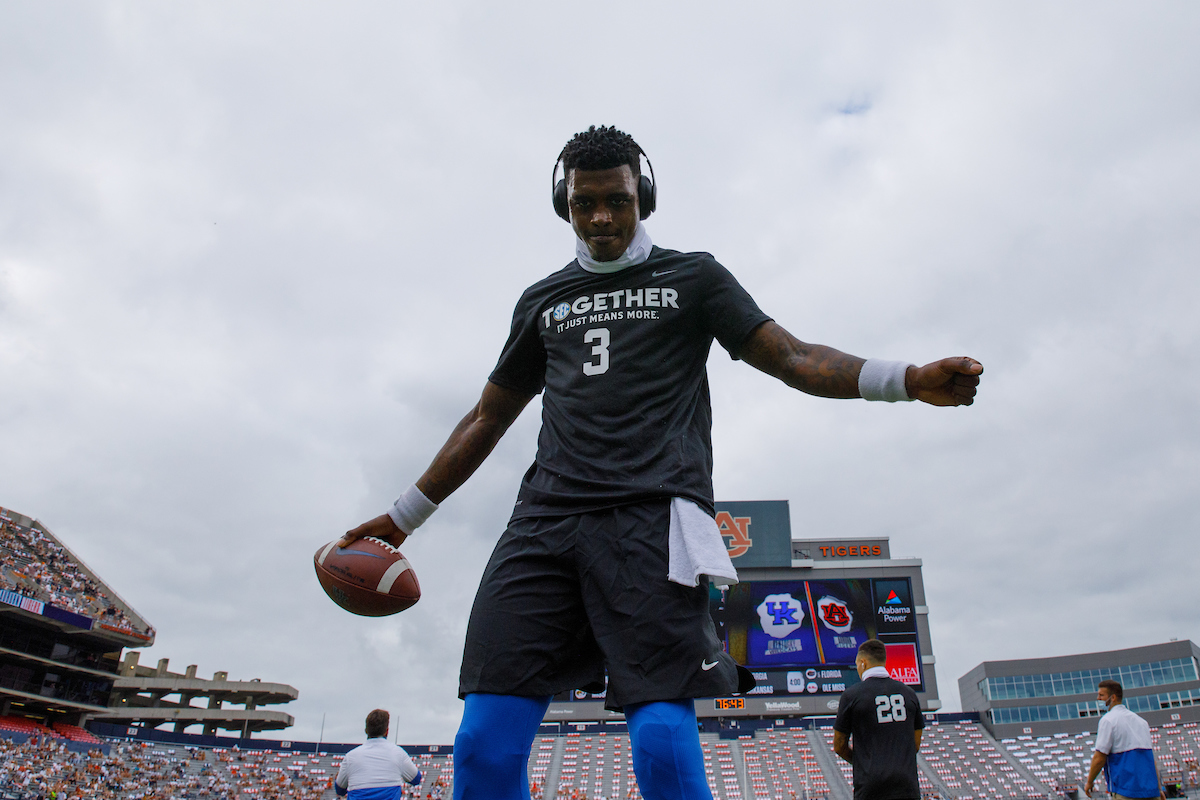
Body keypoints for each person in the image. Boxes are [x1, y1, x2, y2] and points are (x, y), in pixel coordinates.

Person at [340, 125, 983, 800]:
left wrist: (904, 378)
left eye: (616, 199)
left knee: (661, 749)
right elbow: (486, 417)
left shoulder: (693, 276)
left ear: (642, 194)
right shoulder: (542, 301)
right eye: (584, 202)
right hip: (544, 525)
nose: (600, 217)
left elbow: (793, 358)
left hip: (652, 525)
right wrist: (404, 516)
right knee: (481, 748)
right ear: (564, 203)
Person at [832, 639, 924, 800]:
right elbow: (915, 744)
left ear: (863, 663)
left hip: (870, 786)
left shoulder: (851, 696)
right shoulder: (909, 693)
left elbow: (839, 745)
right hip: (906, 786)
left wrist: (863, 762)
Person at [1085, 680, 1165, 800]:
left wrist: (1090, 781)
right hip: (1150, 790)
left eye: (1101, 695)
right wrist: (1158, 789)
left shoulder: (1108, 720)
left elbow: (1099, 757)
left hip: (1125, 789)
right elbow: (1150, 760)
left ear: (1113, 697)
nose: (1098, 698)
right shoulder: (1141, 722)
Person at [334, 709, 423, 800]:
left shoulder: (350, 757)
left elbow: (340, 790)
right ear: (387, 731)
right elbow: (416, 779)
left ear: (366, 730)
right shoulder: (397, 753)